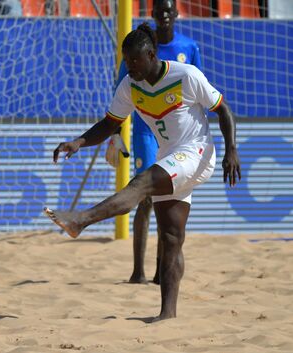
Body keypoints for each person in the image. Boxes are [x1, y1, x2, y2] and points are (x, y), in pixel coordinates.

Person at [44, 22, 241, 321]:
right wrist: (78, 142)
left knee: (140, 184)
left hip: (197, 152)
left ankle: (80, 220)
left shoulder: (186, 75)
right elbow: (110, 125)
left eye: (135, 60)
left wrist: (232, 150)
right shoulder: (129, 86)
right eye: (126, 60)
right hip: (170, 156)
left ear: (151, 55)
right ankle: (167, 315)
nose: (130, 66)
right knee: (172, 236)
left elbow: (224, 110)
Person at [110, 0, 202, 285]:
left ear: (176, 14)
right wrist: (115, 135)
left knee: (168, 198)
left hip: (176, 134)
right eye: (159, 10)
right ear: (152, 14)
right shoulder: (141, 47)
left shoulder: (189, 47)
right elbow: (120, 94)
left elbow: (200, 92)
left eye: (168, 10)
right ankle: (138, 271)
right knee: (146, 196)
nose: (164, 15)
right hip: (145, 130)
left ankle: (161, 271)